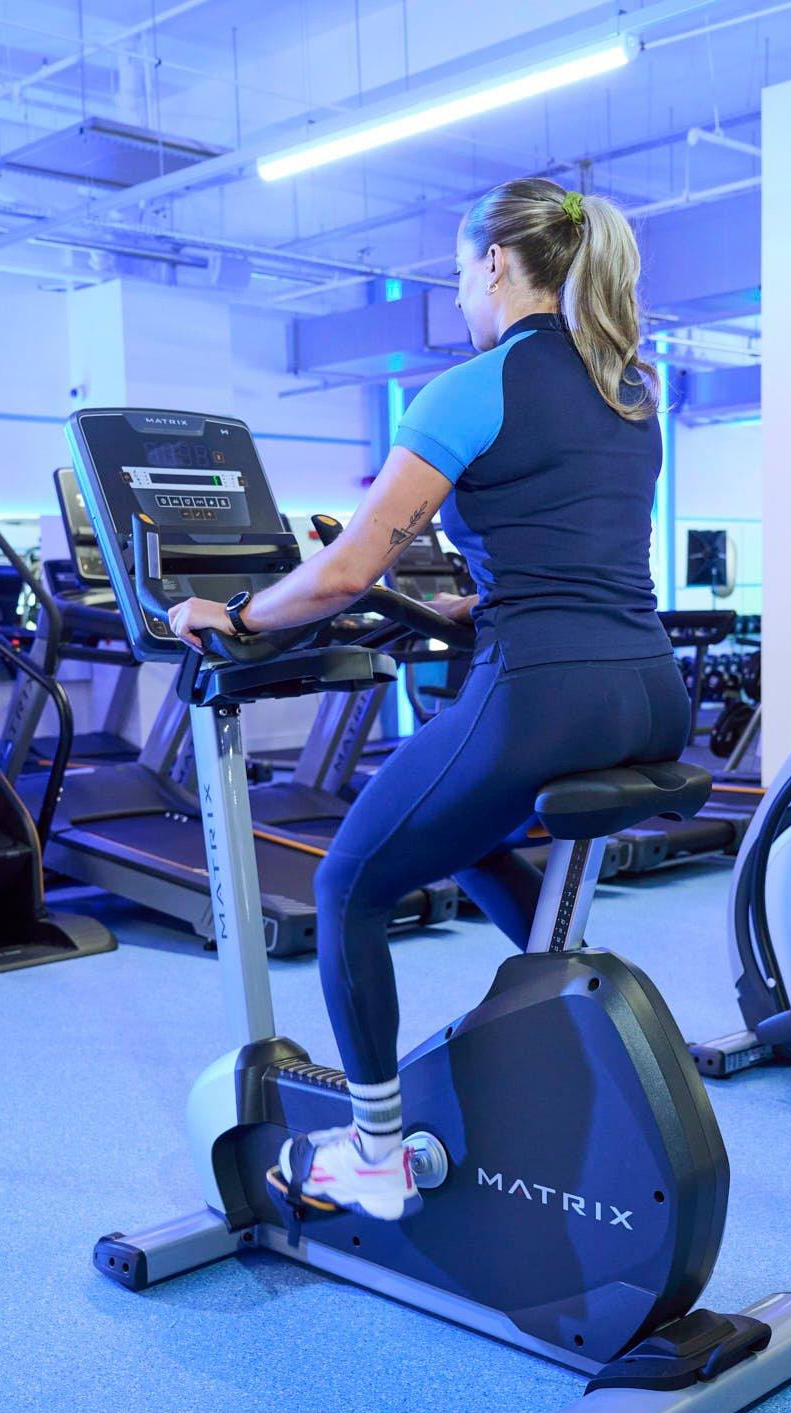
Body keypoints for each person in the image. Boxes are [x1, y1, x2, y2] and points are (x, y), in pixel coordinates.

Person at [165, 178, 680, 1221]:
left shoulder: (470, 386)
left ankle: (373, 1151)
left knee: (350, 880)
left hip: (542, 696)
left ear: (494, 262)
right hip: (650, 687)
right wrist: (469, 594)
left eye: (458, 272)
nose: (457, 293)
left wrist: (235, 613)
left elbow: (346, 573)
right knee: (461, 833)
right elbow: (571, 547)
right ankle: (575, 1017)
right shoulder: (630, 387)